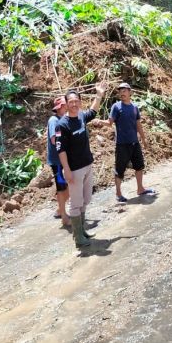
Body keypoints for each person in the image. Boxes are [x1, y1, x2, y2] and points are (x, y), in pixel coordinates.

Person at [56, 84, 106, 248]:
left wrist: (98, 95)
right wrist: (66, 170)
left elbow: (93, 111)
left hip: (87, 165)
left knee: (85, 200)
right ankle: (78, 237)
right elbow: (60, 149)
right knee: (76, 203)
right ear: (66, 103)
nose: (74, 104)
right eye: (71, 101)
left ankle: (82, 230)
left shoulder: (81, 117)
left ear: (80, 102)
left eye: (77, 101)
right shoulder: (62, 125)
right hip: (74, 169)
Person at [108, 82, 155, 203]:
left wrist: (143, 139)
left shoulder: (134, 107)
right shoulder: (116, 107)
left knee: (139, 166)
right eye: (120, 91)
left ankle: (140, 188)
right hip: (122, 144)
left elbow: (138, 124)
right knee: (120, 169)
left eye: (124, 90)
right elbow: (110, 122)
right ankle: (118, 194)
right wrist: (99, 121)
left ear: (130, 92)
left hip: (134, 143)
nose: (122, 93)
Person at [47, 96, 70, 226]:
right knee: (62, 187)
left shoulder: (63, 119)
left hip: (63, 159)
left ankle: (60, 209)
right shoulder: (54, 120)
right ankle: (63, 214)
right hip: (57, 161)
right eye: (65, 104)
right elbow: (53, 139)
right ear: (60, 107)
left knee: (68, 185)